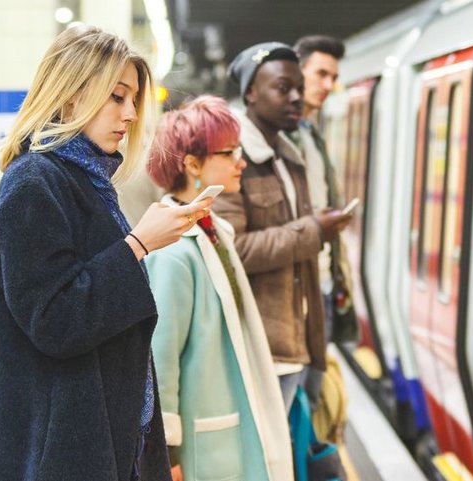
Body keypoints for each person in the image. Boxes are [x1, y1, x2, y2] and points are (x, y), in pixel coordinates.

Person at [0, 26, 212, 481]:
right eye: (116, 97)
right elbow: (55, 320)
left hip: (97, 437)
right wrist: (139, 244)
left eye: (134, 100)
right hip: (57, 450)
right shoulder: (32, 184)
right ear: (69, 96)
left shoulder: (84, 180)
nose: (129, 114)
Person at [145, 95, 293, 481]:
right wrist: (168, 453)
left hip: (225, 428)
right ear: (192, 164)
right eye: (229, 153)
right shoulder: (173, 252)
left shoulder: (213, 229)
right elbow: (161, 359)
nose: (241, 162)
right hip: (201, 446)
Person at [214, 42, 350, 412]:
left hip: (296, 340)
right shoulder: (232, 157)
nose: (296, 98)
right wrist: (315, 231)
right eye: (282, 88)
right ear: (251, 93)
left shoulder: (289, 158)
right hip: (260, 350)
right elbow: (232, 251)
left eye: (298, 89)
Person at [288, 35, 359, 407]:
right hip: (297, 292)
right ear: (295, 72)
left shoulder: (311, 135)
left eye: (333, 77)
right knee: (297, 401)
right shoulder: (277, 138)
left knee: (311, 399)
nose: (329, 85)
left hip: (324, 284)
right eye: (321, 74)